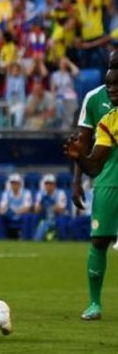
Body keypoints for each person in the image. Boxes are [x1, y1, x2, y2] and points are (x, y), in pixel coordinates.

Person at [64, 51, 118, 320]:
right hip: (107, 180)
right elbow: (86, 148)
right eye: (110, 69)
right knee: (99, 240)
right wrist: (77, 180)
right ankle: (95, 303)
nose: (112, 87)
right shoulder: (98, 106)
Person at [0, 173, 33, 239]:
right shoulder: (6, 193)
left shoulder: (26, 193)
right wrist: (2, 211)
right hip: (10, 215)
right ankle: (2, 240)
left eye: (16, 183)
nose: (14, 185)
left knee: (27, 217)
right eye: (12, 183)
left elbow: (27, 208)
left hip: (21, 216)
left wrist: (17, 211)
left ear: (20, 184)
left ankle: (25, 239)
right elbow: (2, 207)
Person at [32, 174, 68, 241]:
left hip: (58, 217)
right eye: (47, 184)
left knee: (62, 221)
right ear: (44, 185)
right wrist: (40, 205)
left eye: (51, 184)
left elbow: (61, 210)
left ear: (54, 185)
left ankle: (64, 240)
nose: (49, 186)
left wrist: (49, 203)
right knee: (37, 238)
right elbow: (36, 210)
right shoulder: (40, 194)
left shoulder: (60, 193)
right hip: (45, 218)